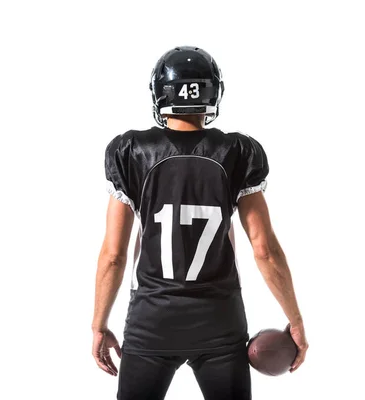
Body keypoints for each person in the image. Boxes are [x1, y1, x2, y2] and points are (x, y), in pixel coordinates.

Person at [91, 46, 308, 400]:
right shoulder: (236, 152)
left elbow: (113, 255)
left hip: (151, 323)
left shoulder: (132, 150)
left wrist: (99, 324)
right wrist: (295, 320)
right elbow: (265, 250)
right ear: (214, 93)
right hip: (219, 323)